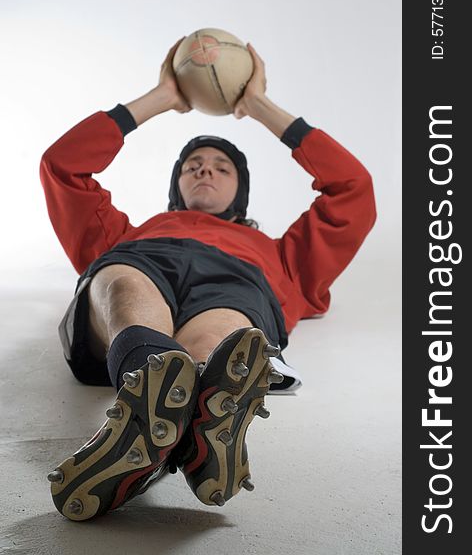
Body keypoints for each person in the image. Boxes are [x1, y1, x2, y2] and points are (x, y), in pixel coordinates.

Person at [40, 38, 376, 521]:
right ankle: (181, 422)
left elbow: (353, 190)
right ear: (176, 185)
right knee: (124, 282)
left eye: (221, 168)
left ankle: (182, 422)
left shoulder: (284, 256)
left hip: (241, 280)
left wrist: (257, 106)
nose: (205, 171)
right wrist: (163, 98)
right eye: (193, 166)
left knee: (226, 335)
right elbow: (63, 166)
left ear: (241, 190)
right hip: (144, 260)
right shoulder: (128, 234)